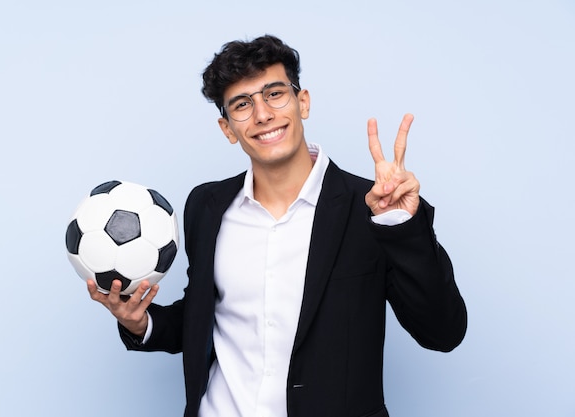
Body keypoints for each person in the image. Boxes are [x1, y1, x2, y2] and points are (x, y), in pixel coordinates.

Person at [87, 34, 467, 417]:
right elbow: (206, 316)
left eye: (274, 94)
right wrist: (142, 323)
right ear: (227, 128)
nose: (262, 114)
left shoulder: (374, 208)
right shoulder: (206, 206)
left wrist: (400, 224)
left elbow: (443, 332)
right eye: (242, 104)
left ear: (303, 102)